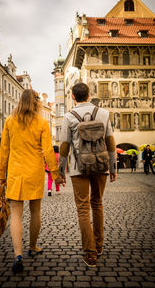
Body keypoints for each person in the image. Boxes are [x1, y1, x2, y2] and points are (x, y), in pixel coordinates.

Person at [0, 89, 63, 273]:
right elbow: (48, 150)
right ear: (36, 103)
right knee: (35, 212)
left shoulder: (10, 121)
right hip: (34, 171)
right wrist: (55, 173)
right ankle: (33, 246)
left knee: (16, 214)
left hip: (15, 172)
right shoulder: (42, 122)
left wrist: (2, 174)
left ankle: (17, 255)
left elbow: (4, 150)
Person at [58, 82, 117, 267]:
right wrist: (113, 168)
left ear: (73, 97)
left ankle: (90, 253)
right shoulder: (104, 113)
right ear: (89, 95)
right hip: (101, 166)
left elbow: (64, 146)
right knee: (97, 203)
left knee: (83, 208)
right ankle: (98, 246)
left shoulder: (69, 117)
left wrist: (61, 172)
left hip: (78, 168)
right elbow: (111, 142)